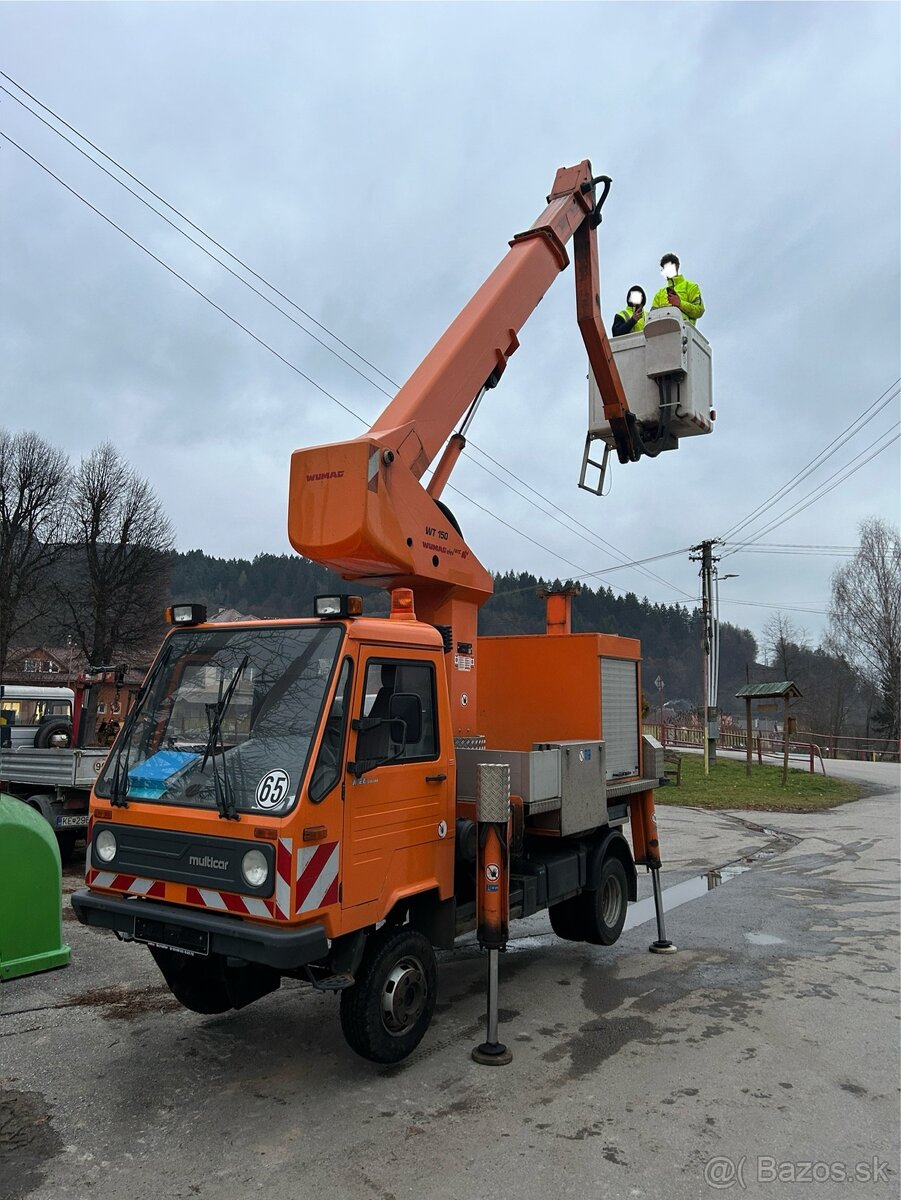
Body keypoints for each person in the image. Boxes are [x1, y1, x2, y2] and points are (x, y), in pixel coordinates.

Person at [651, 254, 705, 326]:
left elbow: (699, 311)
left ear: (677, 266)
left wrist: (680, 304)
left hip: (684, 332)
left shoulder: (691, 287)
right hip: (661, 333)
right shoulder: (659, 294)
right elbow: (651, 317)